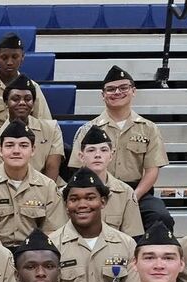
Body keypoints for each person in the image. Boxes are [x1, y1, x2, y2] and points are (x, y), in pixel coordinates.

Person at [68, 66, 172, 233]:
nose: (117, 92)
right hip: (96, 189)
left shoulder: (149, 129)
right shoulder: (88, 129)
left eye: (123, 87)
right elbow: (77, 168)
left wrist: (133, 196)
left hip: (137, 191)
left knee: (160, 217)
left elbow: (152, 171)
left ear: (133, 91)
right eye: (110, 89)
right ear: (103, 95)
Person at [52, 167, 139, 282]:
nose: (82, 204)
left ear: (103, 202)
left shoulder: (126, 244)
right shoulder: (53, 245)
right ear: (66, 205)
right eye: (74, 199)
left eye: (90, 198)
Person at [0, 120, 63, 247]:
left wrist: (31, 255)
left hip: (35, 251)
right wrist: (4, 258)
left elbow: (52, 230)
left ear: (33, 150)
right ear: (0, 150)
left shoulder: (47, 186)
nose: (16, 151)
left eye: (23, 145)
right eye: (9, 145)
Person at [0, 75, 64, 181]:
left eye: (28, 99)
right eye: (15, 99)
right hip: (11, 190)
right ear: (6, 103)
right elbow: (6, 177)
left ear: (33, 104)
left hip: (49, 189)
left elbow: (52, 168)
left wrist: (43, 194)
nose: (22, 103)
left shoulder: (52, 129)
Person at [74, 127, 143, 237]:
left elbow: (133, 237)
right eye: (91, 150)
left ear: (111, 155)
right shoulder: (66, 194)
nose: (97, 155)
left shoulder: (126, 193)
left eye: (104, 150)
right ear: (81, 156)